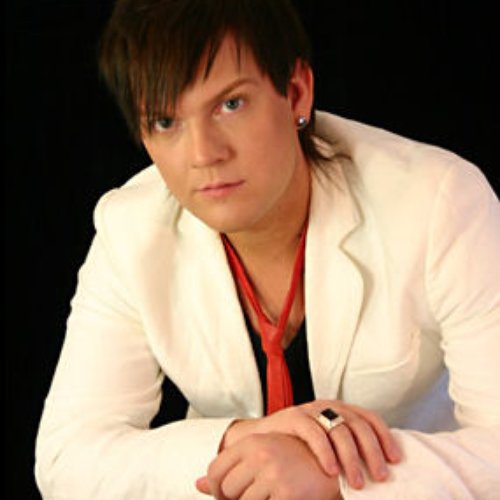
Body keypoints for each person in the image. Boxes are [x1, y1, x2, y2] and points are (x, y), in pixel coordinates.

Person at [34, 0, 500, 498]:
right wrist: (242, 441)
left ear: (297, 92)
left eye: (231, 104)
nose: (204, 154)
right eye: (166, 122)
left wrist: (335, 476)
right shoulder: (129, 229)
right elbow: (66, 460)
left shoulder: (439, 202)